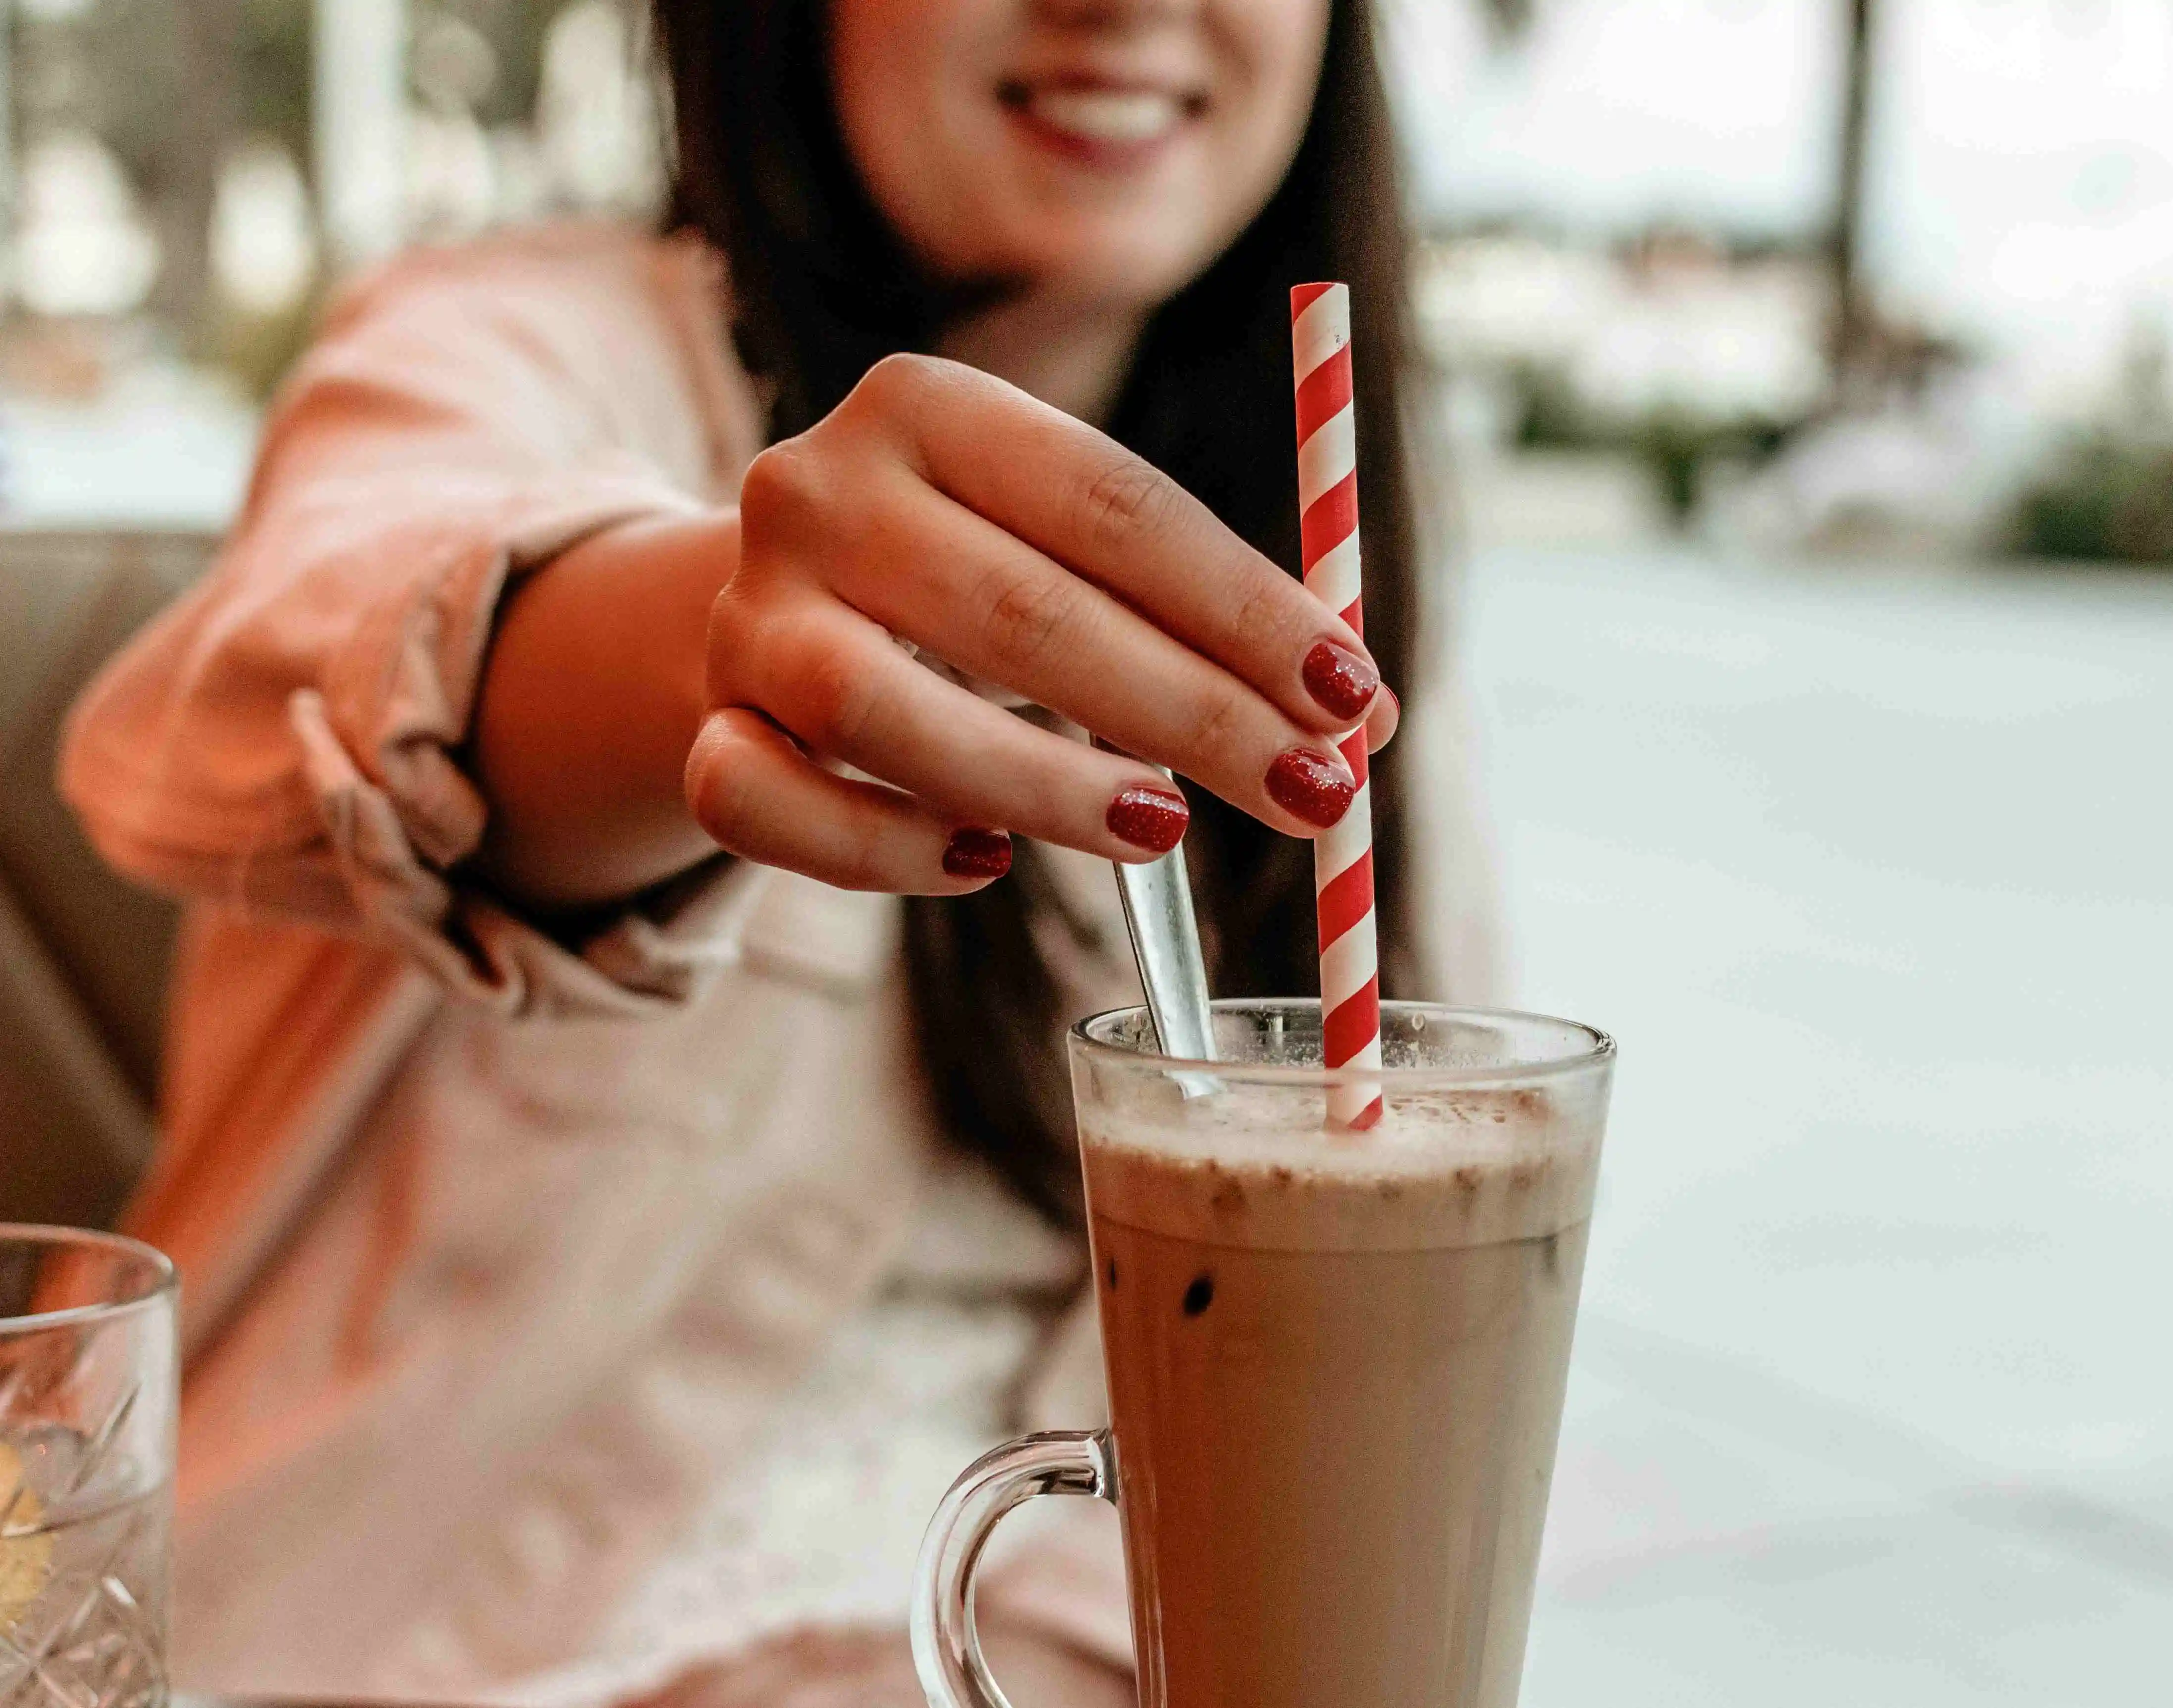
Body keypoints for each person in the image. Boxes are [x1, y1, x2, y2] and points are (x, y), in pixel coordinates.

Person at [58, 0, 1496, 1701]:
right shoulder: (516, 344)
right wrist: (708, 638)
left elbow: (1381, 1339)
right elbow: (268, 695)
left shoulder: (1334, 568)